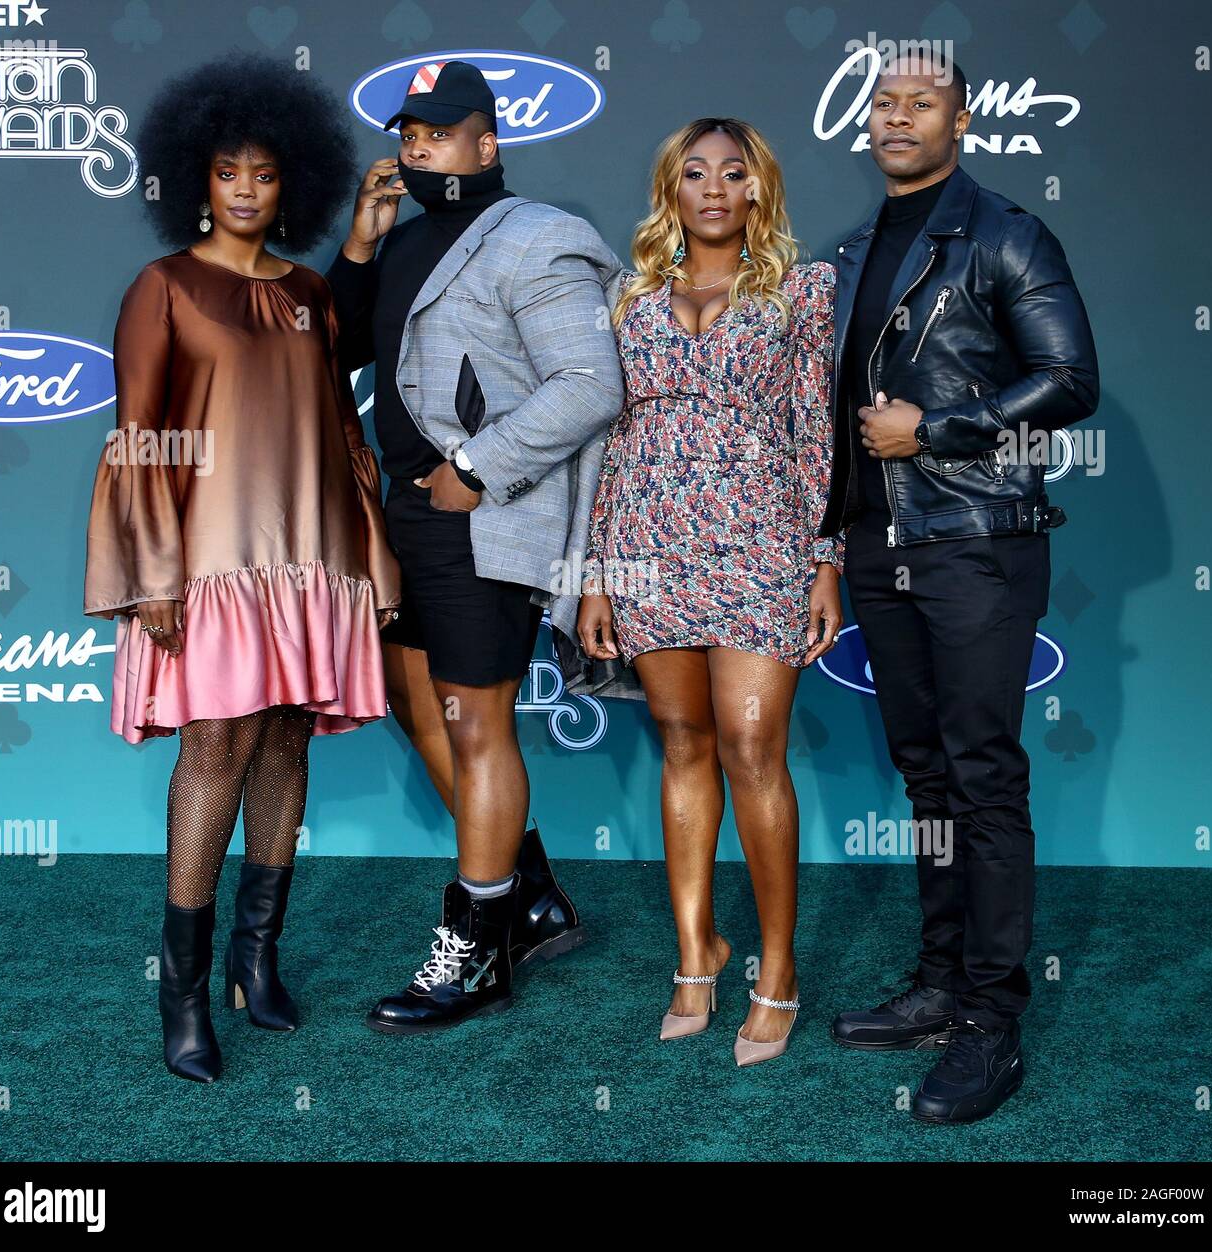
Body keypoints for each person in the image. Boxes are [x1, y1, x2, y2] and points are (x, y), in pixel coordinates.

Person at [82, 55, 400, 1083]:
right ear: (197, 181)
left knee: (288, 741)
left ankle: (253, 960)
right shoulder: (164, 286)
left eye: (266, 175)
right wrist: (155, 572)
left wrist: (369, 553)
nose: (249, 191)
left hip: (310, 556)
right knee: (216, 740)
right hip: (210, 558)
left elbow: (334, 425)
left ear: (289, 182)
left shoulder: (310, 292)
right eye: (229, 174)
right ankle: (180, 994)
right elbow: (137, 435)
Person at [823, 53, 1098, 1121]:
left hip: (975, 537)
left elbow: (1071, 379)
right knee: (926, 778)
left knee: (980, 777)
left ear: (961, 119)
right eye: (884, 103)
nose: (897, 117)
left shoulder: (1004, 232)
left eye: (919, 103)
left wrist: (938, 427)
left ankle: (991, 1019)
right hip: (878, 547)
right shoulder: (849, 252)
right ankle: (940, 982)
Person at [325, 60, 625, 1033]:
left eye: (441, 131)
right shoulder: (402, 240)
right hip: (402, 519)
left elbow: (589, 381)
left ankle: (477, 949)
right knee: (419, 709)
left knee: (475, 725)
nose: (418, 147)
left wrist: (481, 470)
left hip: (477, 519)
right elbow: (329, 350)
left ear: (486, 143)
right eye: (409, 131)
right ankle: (527, 899)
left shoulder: (540, 234)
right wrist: (362, 248)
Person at [577, 118, 843, 1067]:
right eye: (695, 172)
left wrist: (826, 556)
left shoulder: (800, 290)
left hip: (760, 541)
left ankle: (778, 971)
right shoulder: (630, 294)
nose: (716, 187)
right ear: (671, 190)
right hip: (647, 540)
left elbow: (819, 433)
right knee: (683, 742)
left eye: (735, 173)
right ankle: (697, 956)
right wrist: (598, 571)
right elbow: (609, 439)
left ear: (759, 190)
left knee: (750, 746)